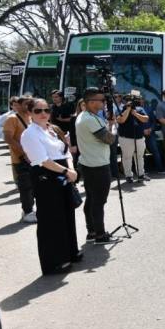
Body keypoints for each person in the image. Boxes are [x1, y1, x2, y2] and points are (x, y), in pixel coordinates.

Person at [20, 98, 81, 274]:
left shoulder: (53, 129)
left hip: (63, 173)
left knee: (67, 213)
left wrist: (71, 168)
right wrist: (66, 172)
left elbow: (66, 150)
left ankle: (70, 252)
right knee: (51, 219)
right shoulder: (30, 134)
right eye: (38, 111)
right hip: (45, 177)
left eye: (46, 110)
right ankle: (54, 261)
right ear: (30, 113)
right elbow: (42, 160)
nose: (43, 114)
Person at [75, 87, 117, 245]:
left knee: (92, 199)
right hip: (97, 166)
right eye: (101, 100)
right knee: (98, 201)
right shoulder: (88, 119)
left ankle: (92, 231)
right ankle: (100, 234)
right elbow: (109, 139)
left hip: (91, 163)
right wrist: (112, 127)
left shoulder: (87, 116)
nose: (104, 103)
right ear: (91, 102)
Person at [4, 96, 38, 223]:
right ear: (18, 105)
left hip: (34, 158)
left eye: (30, 104)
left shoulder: (30, 117)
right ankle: (28, 211)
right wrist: (24, 152)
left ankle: (29, 210)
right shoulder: (12, 119)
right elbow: (8, 138)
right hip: (21, 159)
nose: (28, 106)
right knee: (26, 186)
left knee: (34, 185)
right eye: (26, 104)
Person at [116, 93, 149, 182]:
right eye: (128, 100)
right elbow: (121, 120)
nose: (130, 102)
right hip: (126, 138)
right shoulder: (121, 109)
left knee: (139, 157)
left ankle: (141, 174)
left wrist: (135, 114)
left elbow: (146, 119)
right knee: (127, 157)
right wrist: (128, 109)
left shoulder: (140, 109)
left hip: (139, 138)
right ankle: (129, 176)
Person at [142, 102, 165, 175]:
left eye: (141, 99)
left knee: (155, 150)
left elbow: (154, 121)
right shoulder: (133, 110)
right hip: (140, 134)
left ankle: (160, 168)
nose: (140, 100)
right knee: (141, 153)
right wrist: (142, 130)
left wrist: (151, 129)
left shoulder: (149, 109)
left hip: (150, 133)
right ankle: (143, 171)